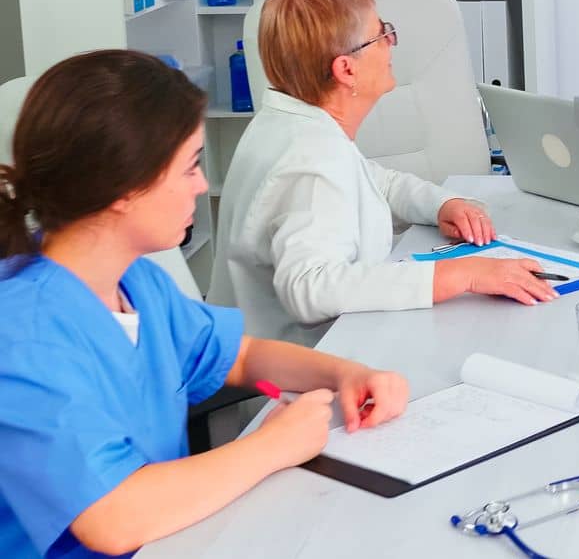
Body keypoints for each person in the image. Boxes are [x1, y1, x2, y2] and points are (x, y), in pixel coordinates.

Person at [0, 50, 410, 559]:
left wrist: (344, 374)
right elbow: (112, 519)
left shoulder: (137, 283)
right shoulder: (23, 334)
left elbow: (239, 356)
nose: (202, 185)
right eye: (190, 166)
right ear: (125, 188)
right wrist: (272, 446)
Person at [213, 0, 556, 346]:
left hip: (276, 349)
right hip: (297, 375)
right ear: (346, 70)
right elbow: (310, 289)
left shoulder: (290, 124)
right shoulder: (312, 161)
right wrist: (461, 276)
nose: (391, 42)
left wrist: (441, 203)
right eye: (381, 34)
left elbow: (372, 181)